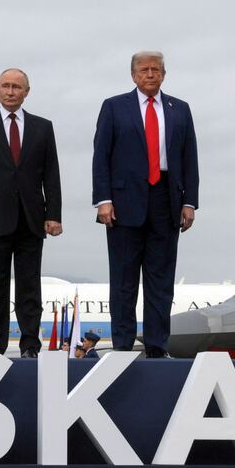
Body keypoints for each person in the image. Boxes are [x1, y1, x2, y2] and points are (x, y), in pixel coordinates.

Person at [92, 51, 199, 358]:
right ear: (133, 75)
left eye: (156, 69)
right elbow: (101, 156)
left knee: (161, 280)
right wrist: (104, 200)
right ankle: (123, 345)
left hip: (167, 200)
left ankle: (156, 345)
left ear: (164, 74)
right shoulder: (114, 107)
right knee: (124, 280)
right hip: (123, 204)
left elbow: (189, 158)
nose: (150, 74)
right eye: (144, 70)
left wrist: (189, 202)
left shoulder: (180, 109)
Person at [0, 68, 63, 358]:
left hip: (31, 218)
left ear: (26, 92)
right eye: (5, 86)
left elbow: (51, 175)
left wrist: (53, 213)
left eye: (16, 87)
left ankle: (30, 344)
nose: (10, 91)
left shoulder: (43, 127)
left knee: (30, 287)